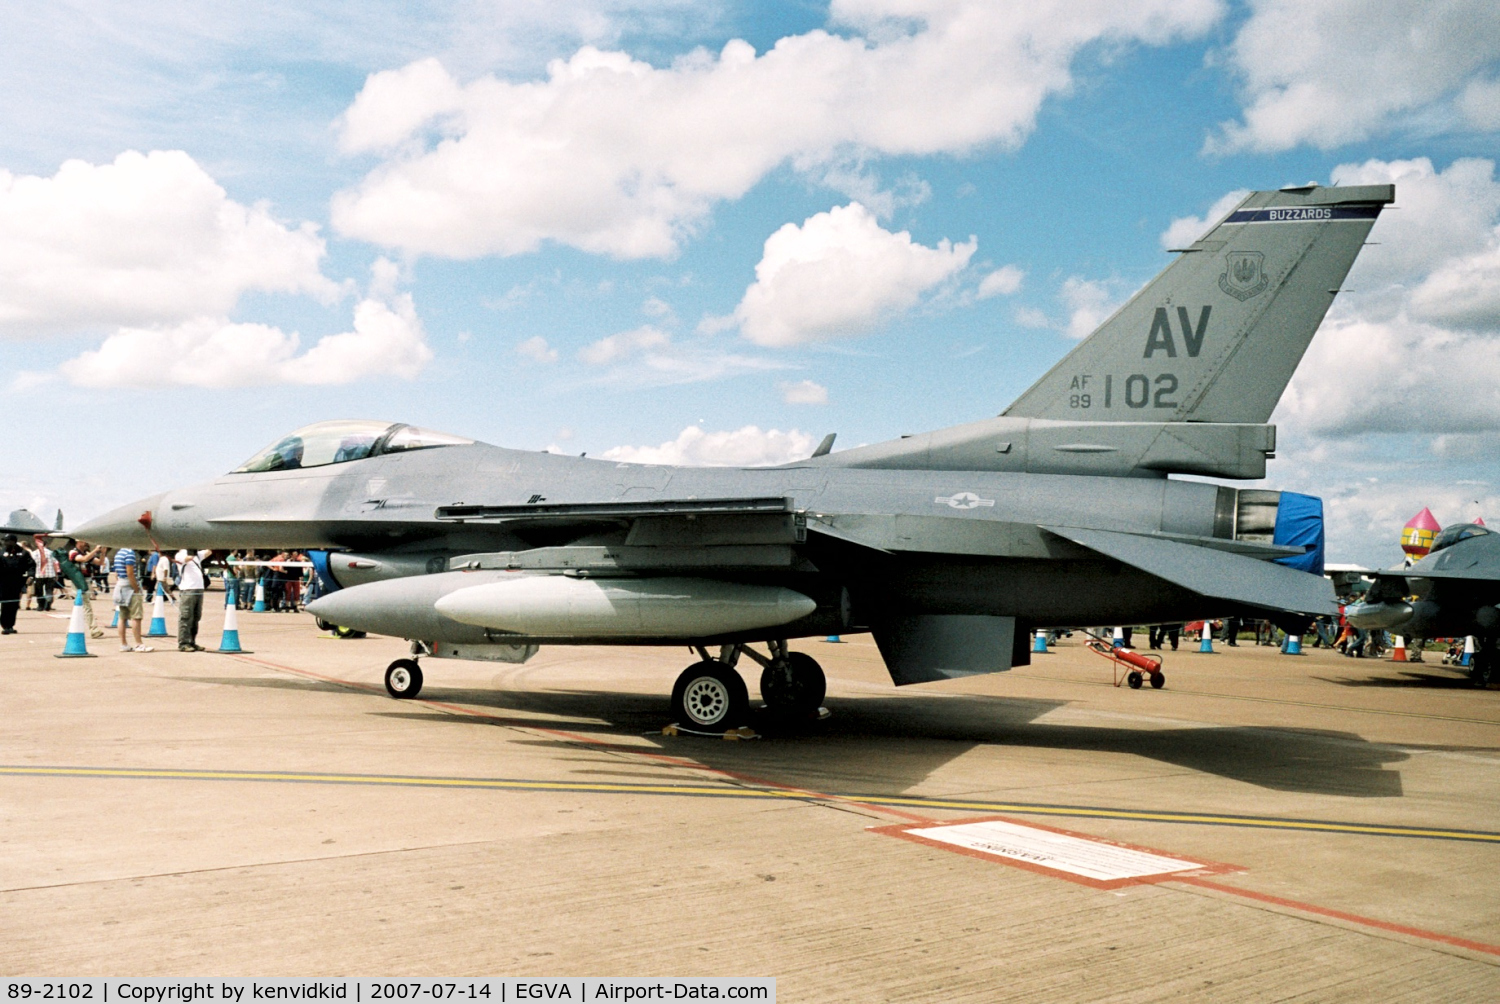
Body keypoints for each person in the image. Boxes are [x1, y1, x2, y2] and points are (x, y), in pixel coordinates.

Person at [54, 538, 105, 638]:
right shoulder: (73, 552)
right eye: (84, 541)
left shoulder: (86, 553)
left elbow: (99, 562)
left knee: (79, 607)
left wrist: (103, 553)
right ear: (78, 542)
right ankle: (94, 629)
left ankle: (70, 630)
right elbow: (83, 559)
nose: (86, 543)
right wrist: (95, 550)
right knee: (86, 605)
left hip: (85, 580)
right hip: (78, 581)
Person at [112, 547, 153, 652]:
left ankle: (124, 644)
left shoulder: (119, 552)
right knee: (136, 616)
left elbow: (117, 573)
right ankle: (139, 644)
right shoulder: (130, 553)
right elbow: (130, 572)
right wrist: (136, 588)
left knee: (122, 617)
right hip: (129, 586)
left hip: (120, 585)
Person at [174, 548, 212, 651]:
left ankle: (192, 641)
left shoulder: (197, 554)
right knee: (186, 617)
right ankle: (183, 643)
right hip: (188, 590)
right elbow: (187, 558)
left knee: (196, 617)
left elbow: (209, 551)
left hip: (198, 589)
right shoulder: (180, 554)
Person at [0, 535, 31, 634]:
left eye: (7, 541)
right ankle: (5, 626)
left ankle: (10, 625)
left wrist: (31, 576)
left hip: (16, 582)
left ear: (13, 541)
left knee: (13, 605)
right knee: (5, 604)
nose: (5, 543)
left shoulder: (23, 553)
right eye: (4, 541)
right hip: (3, 582)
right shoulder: (1, 552)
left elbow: (31, 565)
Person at [30, 537, 60, 612]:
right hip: (50, 574)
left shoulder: (34, 553)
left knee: (39, 591)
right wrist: (56, 574)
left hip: (39, 575)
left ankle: (40, 606)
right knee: (49, 590)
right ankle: (48, 604)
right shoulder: (51, 553)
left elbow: (31, 564)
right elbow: (56, 563)